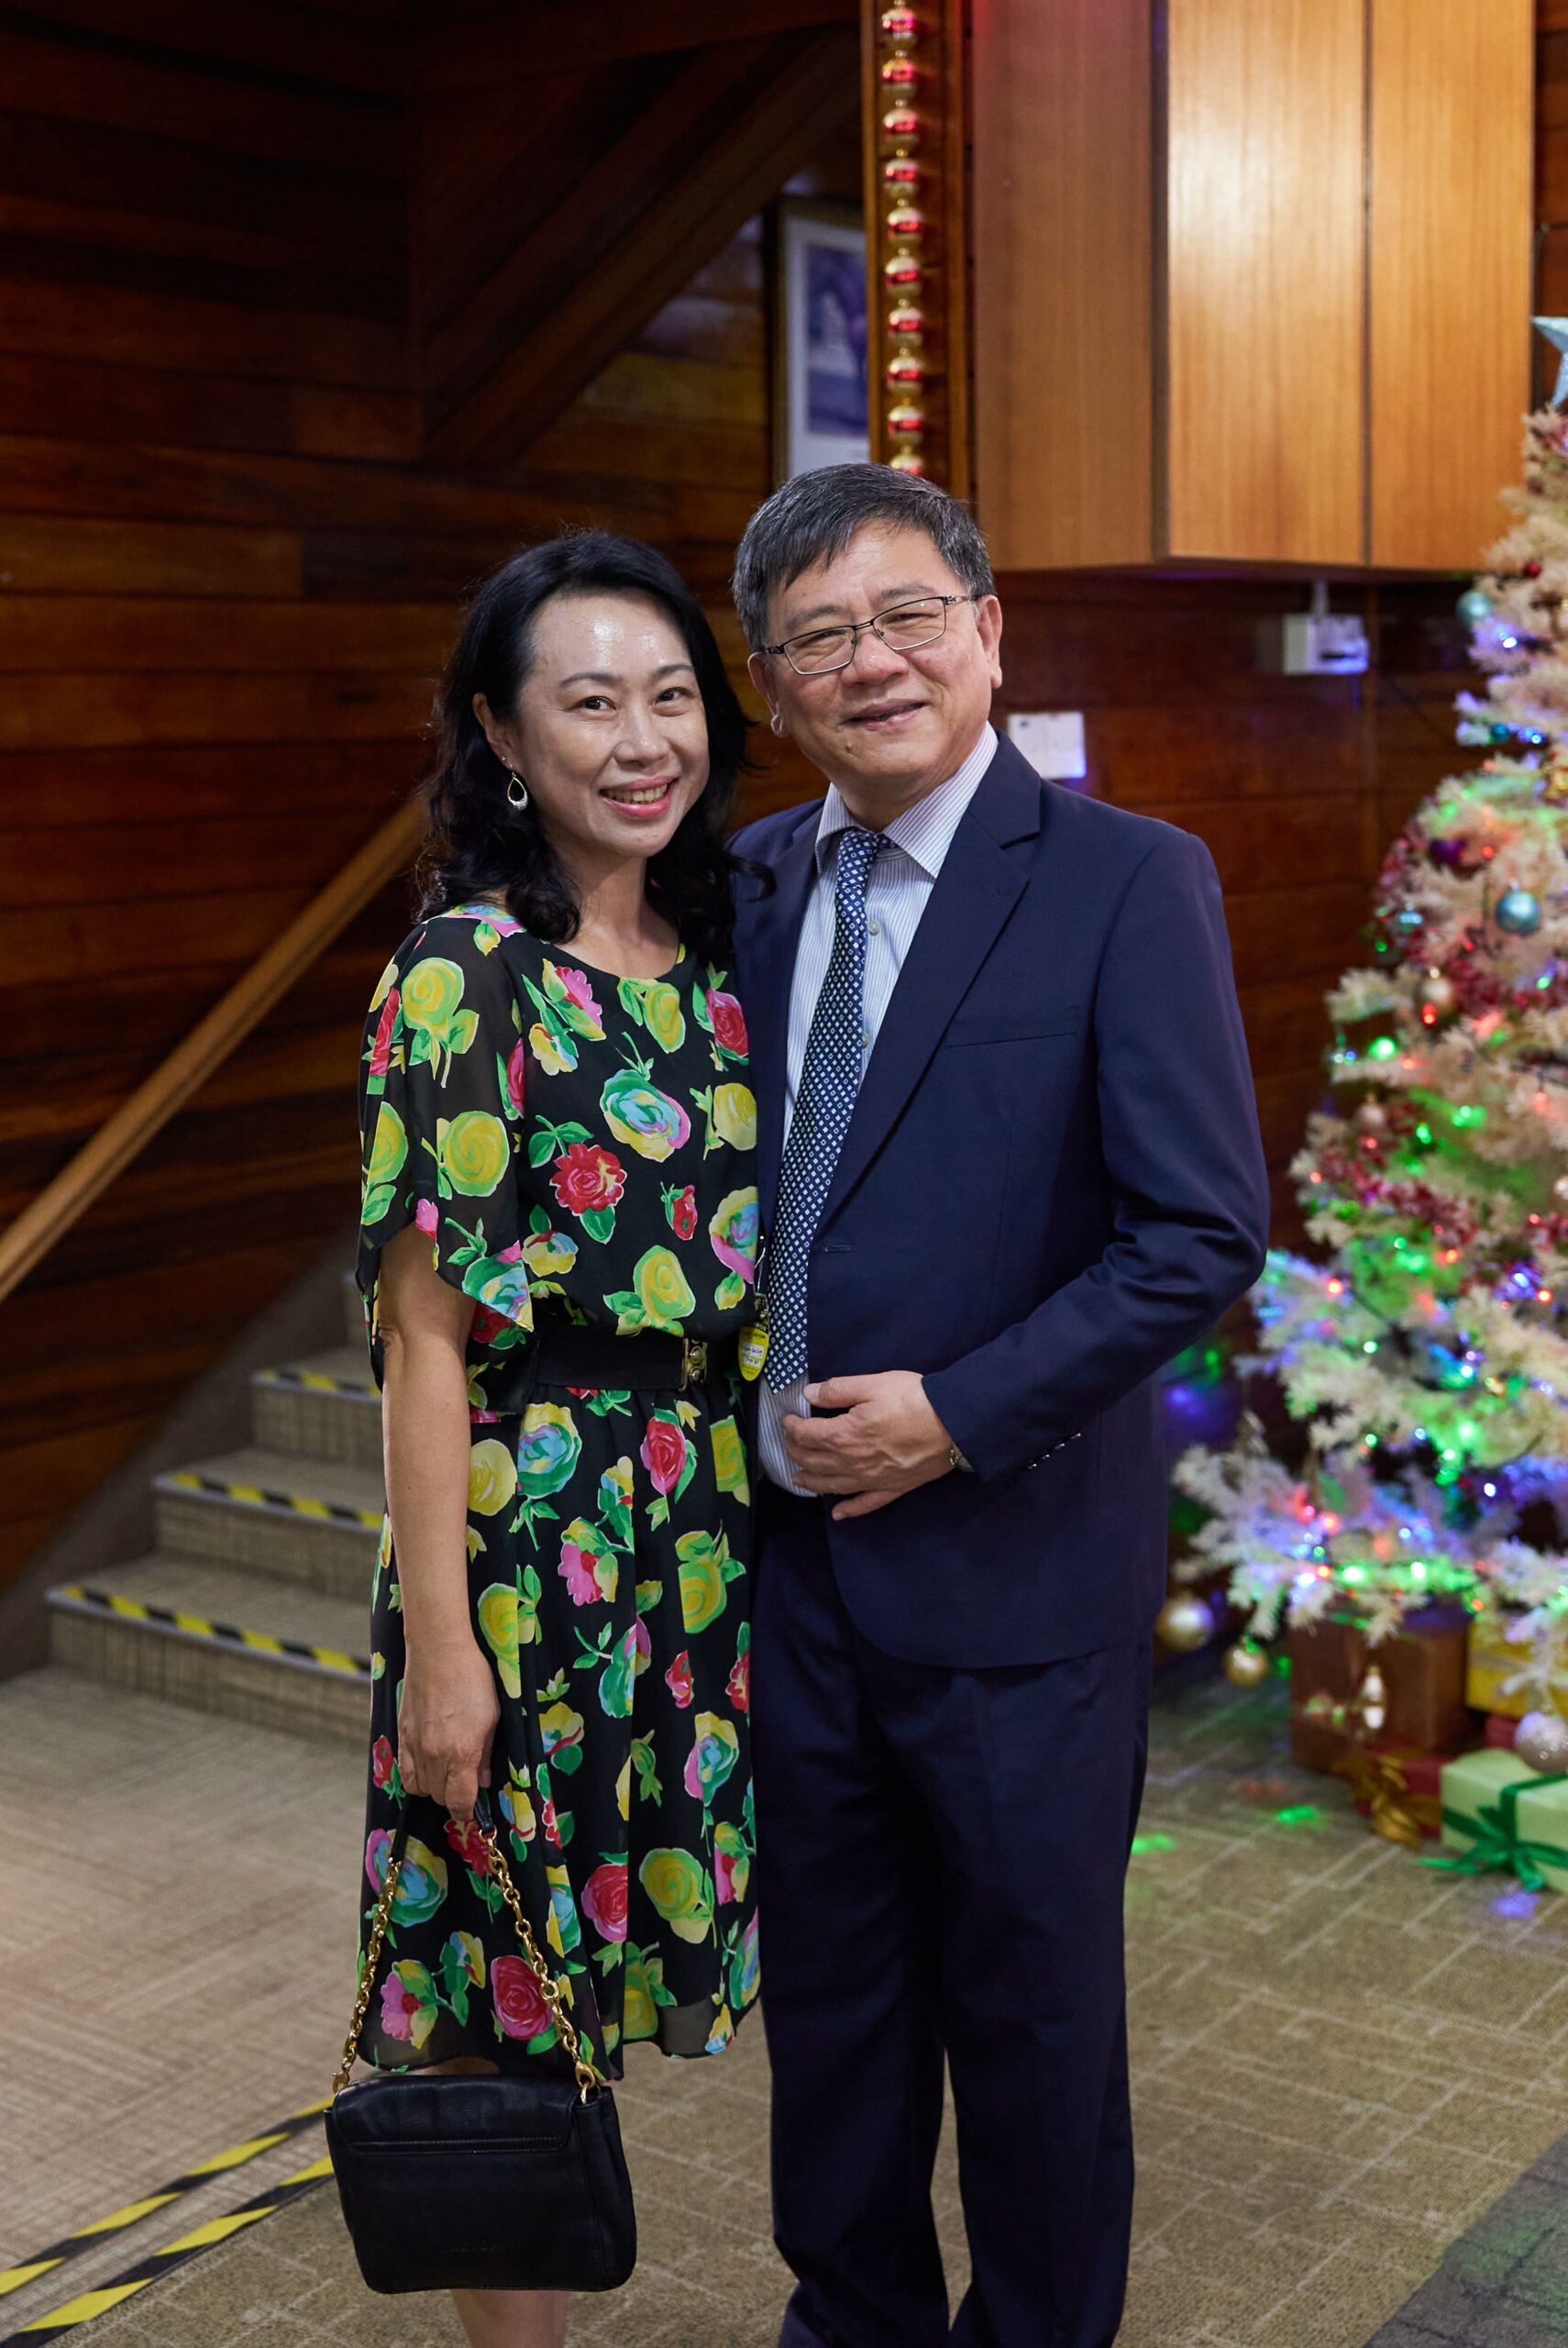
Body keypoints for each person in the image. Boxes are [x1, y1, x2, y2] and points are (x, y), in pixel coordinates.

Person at [728, 462, 1270, 2348]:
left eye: (904, 615)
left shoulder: (1126, 875)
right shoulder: (748, 885)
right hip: (789, 1578)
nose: (869, 662)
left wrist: (957, 1412)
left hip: (1019, 1578)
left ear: (986, 628)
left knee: (1033, 2030)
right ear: (769, 686)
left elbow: (1196, 1230)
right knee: (835, 2022)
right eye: (818, 637)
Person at [351, 532, 762, 2348]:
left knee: (585, 1969)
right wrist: (443, 1652)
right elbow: (424, 1346)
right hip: (526, 1546)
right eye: (590, 702)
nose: (640, 738)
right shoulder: (466, 974)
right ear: (505, 736)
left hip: (700, 1537)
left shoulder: (721, 955)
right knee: (492, 1990)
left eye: (671, 695)